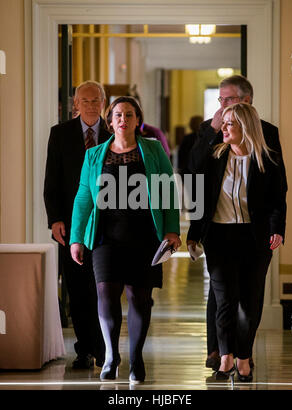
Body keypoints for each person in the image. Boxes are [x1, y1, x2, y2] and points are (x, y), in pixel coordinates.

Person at [69, 96, 181, 384]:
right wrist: (76, 238)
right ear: (111, 121)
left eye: (128, 115)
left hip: (145, 234)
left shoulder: (153, 150)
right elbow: (84, 197)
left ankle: (137, 357)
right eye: (117, 115)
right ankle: (110, 355)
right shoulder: (94, 155)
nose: (123, 120)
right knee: (105, 292)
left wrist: (172, 231)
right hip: (106, 235)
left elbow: (167, 190)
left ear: (136, 120)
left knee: (139, 298)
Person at [188, 75, 287, 372]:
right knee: (222, 298)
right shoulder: (212, 134)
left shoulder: (266, 140)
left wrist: (277, 228)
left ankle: (244, 354)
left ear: (245, 103)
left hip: (253, 235)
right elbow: (193, 174)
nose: (222, 108)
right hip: (218, 233)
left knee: (249, 299)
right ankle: (221, 353)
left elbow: (277, 193)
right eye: (220, 101)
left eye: (228, 100)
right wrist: (194, 232)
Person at [44, 80, 111, 369]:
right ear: (76, 104)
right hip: (72, 224)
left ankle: (103, 348)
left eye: (96, 100)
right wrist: (55, 219)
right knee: (78, 289)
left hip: (109, 224)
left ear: (104, 103)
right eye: (86, 101)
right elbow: (52, 182)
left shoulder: (114, 133)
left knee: (104, 288)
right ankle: (84, 349)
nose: (92, 105)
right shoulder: (60, 135)